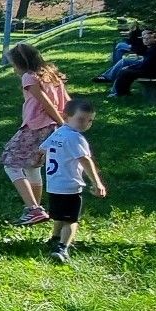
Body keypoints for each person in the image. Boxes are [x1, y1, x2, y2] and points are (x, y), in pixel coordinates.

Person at [0, 43, 71, 226]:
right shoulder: (52, 76)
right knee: (33, 167)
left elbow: (46, 103)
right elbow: (67, 101)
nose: (13, 68)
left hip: (36, 127)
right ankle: (34, 209)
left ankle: (33, 209)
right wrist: (66, 122)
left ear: (21, 63)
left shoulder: (28, 77)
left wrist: (63, 124)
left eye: (13, 64)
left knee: (10, 163)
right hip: (53, 127)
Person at [42, 98, 109, 264]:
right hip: (69, 186)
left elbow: (42, 149)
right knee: (71, 220)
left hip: (54, 184)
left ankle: (55, 238)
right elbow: (85, 160)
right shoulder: (75, 138)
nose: (85, 123)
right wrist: (97, 182)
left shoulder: (58, 133)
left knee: (59, 215)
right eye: (81, 119)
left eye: (90, 120)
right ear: (66, 116)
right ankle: (62, 248)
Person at [110, 29, 156, 96]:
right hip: (153, 70)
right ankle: (121, 92)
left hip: (155, 72)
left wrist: (131, 67)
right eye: (144, 38)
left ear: (154, 39)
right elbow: (147, 63)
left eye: (148, 38)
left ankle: (120, 93)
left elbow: (147, 65)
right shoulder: (153, 47)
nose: (145, 40)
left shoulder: (155, 49)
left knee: (125, 72)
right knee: (125, 71)